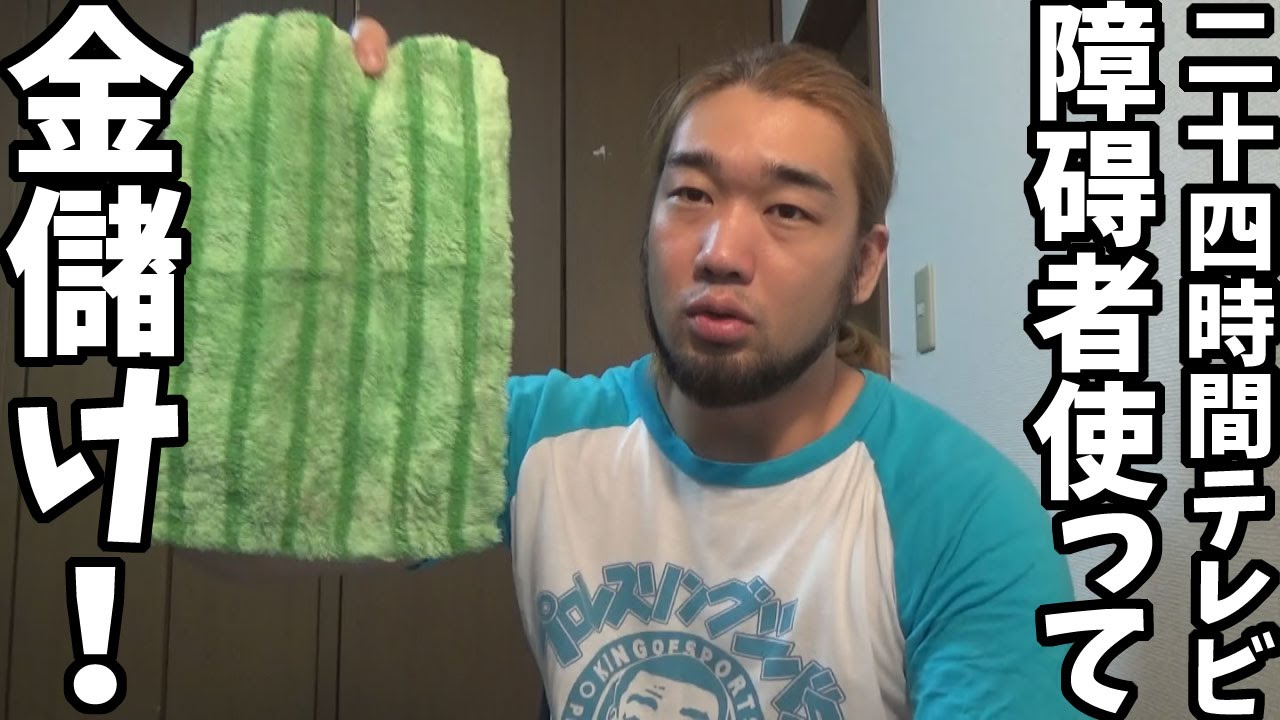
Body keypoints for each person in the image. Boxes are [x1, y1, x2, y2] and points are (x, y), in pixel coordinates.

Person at [352, 17, 1084, 719]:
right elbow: (287, 514)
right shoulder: (538, 437)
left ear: (865, 264)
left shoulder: (967, 520)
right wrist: (324, 140)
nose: (720, 252)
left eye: (787, 210)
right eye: (691, 195)